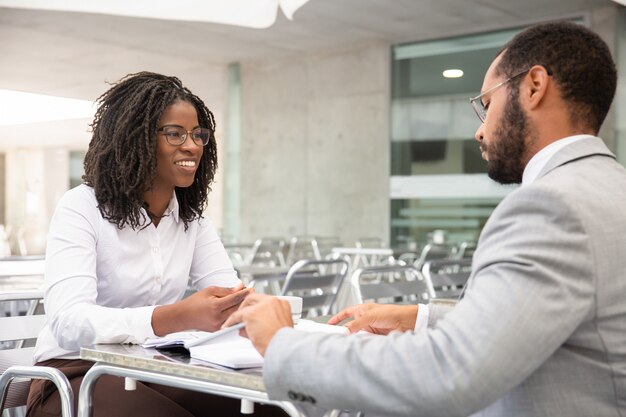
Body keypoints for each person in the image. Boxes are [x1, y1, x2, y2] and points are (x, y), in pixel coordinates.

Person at [225, 21, 626, 416]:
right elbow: (548, 322)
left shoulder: (551, 206)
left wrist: (282, 343)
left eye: (487, 105)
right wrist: (419, 318)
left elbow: (449, 373)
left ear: (534, 86)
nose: (480, 132)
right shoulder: (609, 189)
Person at [26, 72, 283, 417]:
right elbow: (69, 322)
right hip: (74, 375)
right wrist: (173, 317)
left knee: (269, 409)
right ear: (134, 139)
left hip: (152, 367)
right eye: (175, 133)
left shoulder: (192, 219)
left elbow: (230, 296)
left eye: (197, 134)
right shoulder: (82, 207)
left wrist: (260, 315)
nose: (192, 146)